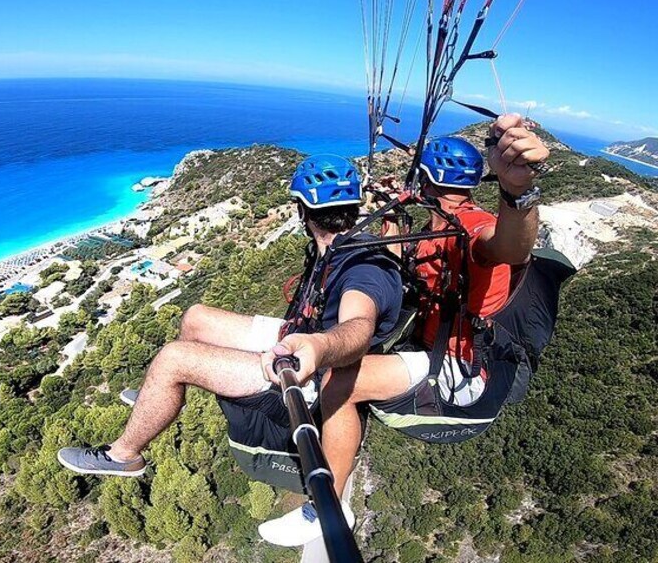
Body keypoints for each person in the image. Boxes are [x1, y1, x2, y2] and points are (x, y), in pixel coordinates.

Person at [258, 114, 550, 546]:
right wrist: (390, 218)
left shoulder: (471, 225)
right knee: (343, 364)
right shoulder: (436, 224)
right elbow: (399, 266)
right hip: (430, 350)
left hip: (459, 368)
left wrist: (518, 193)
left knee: (342, 382)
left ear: (426, 179)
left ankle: (326, 507)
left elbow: (510, 246)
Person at [57, 155, 404, 515]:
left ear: (302, 211)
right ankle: (159, 398)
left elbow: (359, 326)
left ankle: (124, 455)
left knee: (173, 359)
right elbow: (392, 258)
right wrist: (391, 216)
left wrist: (319, 347)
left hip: (310, 371)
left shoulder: (361, 268)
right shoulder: (343, 244)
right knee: (196, 318)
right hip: (303, 334)